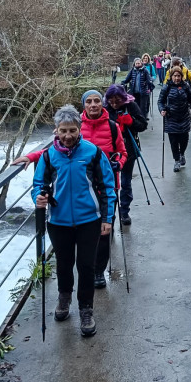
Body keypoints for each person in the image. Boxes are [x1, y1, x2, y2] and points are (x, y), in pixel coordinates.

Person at [14, 90, 126, 290]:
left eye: (97, 101)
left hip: (105, 185)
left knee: (103, 233)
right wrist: (31, 157)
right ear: (84, 105)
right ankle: (71, 291)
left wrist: (119, 162)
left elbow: (122, 152)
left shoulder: (112, 127)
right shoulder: (71, 124)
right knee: (74, 253)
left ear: (102, 103)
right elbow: (57, 151)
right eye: (89, 101)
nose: (93, 104)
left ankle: (98, 271)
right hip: (76, 194)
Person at [31, 105, 115, 336]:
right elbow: (38, 184)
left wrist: (107, 218)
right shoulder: (48, 157)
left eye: (72, 131)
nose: (67, 136)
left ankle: (86, 309)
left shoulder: (93, 153)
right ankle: (64, 298)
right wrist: (38, 197)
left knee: (86, 266)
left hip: (89, 220)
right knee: (64, 264)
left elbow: (107, 186)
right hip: (58, 221)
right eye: (63, 131)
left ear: (80, 130)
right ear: (55, 131)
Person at [104, 84, 148, 226]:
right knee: (110, 184)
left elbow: (142, 125)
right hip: (110, 152)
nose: (115, 104)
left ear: (123, 98)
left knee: (126, 182)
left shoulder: (131, 106)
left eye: (118, 101)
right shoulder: (104, 109)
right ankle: (110, 213)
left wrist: (131, 122)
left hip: (128, 151)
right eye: (111, 101)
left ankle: (124, 212)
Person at [158, 66, 191, 172]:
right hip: (171, 117)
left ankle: (182, 154)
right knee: (173, 141)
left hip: (184, 117)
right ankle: (176, 161)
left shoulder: (185, 86)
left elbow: (190, 98)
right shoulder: (166, 87)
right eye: (175, 76)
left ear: (181, 77)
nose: (177, 78)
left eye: (178, 76)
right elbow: (160, 101)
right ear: (171, 76)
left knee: (184, 140)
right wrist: (162, 109)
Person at [122, 58, 154, 123]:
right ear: (134, 64)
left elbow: (149, 79)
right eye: (136, 63)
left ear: (141, 63)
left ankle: (143, 121)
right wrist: (122, 83)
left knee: (143, 107)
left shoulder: (145, 70)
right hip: (134, 92)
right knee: (136, 106)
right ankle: (137, 119)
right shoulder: (132, 71)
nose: (137, 64)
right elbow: (127, 79)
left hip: (143, 92)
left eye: (139, 63)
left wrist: (150, 87)